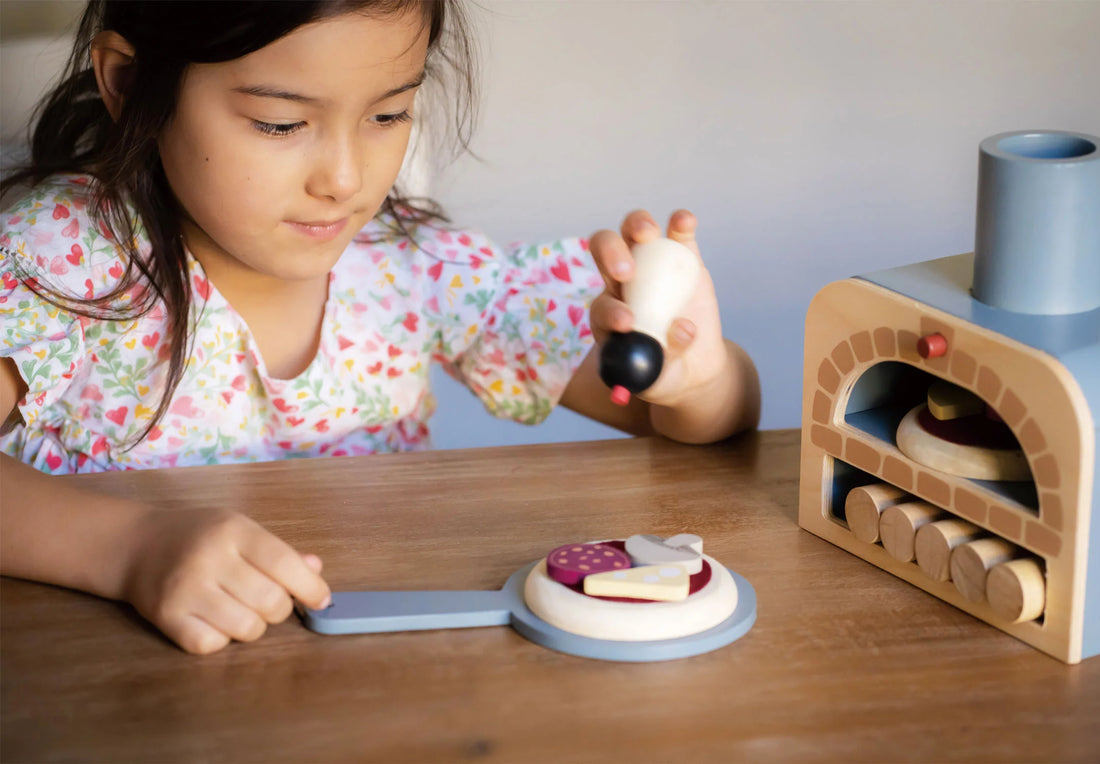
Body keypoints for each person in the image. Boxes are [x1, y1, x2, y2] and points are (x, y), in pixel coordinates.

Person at [0, 0, 761, 654]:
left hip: (370, 678)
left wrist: (698, 377)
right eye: (280, 122)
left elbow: (690, 424)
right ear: (131, 85)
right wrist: (130, 550)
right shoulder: (55, 260)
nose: (345, 178)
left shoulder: (416, 266)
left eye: (388, 113)